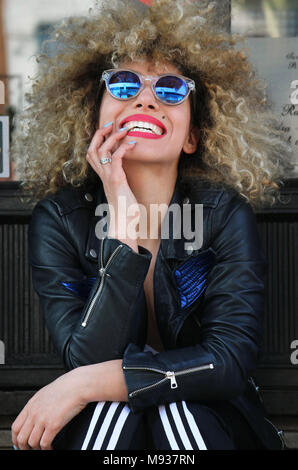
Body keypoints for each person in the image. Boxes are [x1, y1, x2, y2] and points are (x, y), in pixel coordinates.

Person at [11, 0, 291, 451]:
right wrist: (122, 218)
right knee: (114, 414)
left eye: (171, 88)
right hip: (104, 424)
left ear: (193, 135)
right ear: (93, 118)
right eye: (123, 86)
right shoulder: (59, 220)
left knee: (172, 409)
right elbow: (87, 355)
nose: (146, 98)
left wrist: (80, 386)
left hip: (212, 418)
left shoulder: (224, 215)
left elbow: (227, 362)